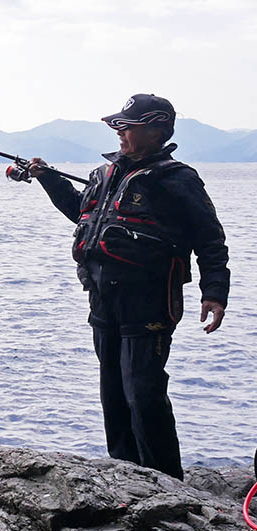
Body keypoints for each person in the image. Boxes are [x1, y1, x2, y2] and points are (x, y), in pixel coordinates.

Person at [29, 93, 230, 480]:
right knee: (113, 391)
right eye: (118, 127)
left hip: (150, 302)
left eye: (127, 127)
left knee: (143, 391)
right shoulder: (104, 175)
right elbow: (81, 212)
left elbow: (210, 240)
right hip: (103, 300)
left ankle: (167, 482)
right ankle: (126, 478)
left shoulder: (178, 179)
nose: (120, 133)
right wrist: (49, 178)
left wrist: (215, 293)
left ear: (156, 131)